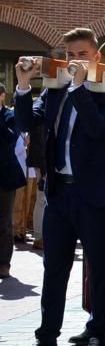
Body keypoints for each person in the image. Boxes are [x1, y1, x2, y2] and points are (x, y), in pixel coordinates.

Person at [14, 28, 105, 346]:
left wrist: (80, 88)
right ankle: (47, 339)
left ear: (95, 56)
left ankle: (98, 335)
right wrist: (22, 85)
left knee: (101, 269)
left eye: (82, 54)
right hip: (60, 193)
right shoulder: (55, 92)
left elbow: (98, 129)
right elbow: (24, 122)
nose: (76, 61)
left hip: (96, 195)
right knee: (54, 268)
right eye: (71, 55)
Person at [0, 83, 26, 279]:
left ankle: (3, 263)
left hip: (5, 176)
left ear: (2, 96)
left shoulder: (9, 115)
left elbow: (11, 138)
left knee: (4, 221)